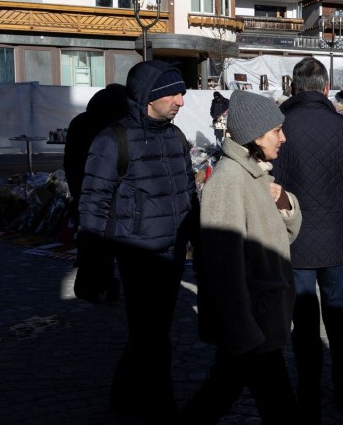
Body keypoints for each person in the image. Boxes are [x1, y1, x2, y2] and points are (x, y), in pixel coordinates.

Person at [77, 61, 198, 422]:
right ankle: (161, 405)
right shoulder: (112, 139)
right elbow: (93, 203)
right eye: (174, 93)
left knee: (154, 330)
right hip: (138, 253)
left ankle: (123, 393)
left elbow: (189, 193)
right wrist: (92, 264)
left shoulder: (175, 137)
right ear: (150, 96)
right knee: (153, 336)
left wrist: (201, 244)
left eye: (182, 93)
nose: (181, 101)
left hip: (174, 252)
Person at [270, 57, 343, 423]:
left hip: (294, 239)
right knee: (338, 316)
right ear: (326, 88)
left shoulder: (279, 127)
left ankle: (309, 394)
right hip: (333, 238)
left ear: (294, 88)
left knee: (305, 322)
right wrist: (340, 213)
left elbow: (268, 184)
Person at [188, 90, 302, 424]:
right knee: (277, 405)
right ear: (255, 135)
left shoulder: (257, 175)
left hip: (258, 319)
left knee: (221, 392)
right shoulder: (228, 181)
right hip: (253, 322)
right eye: (276, 131)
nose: (283, 137)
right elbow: (223, 267)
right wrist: (242, 329)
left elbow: (285, 236)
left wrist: (283, 203)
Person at [63, 83, 128, 305]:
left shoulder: (80, 122)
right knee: (103, 244)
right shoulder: (112, 127)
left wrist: (76, 191)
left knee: (91, 242)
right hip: (104, 193)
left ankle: (93, 285)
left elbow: (70, 162)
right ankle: (101, 285)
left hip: (82, 189)